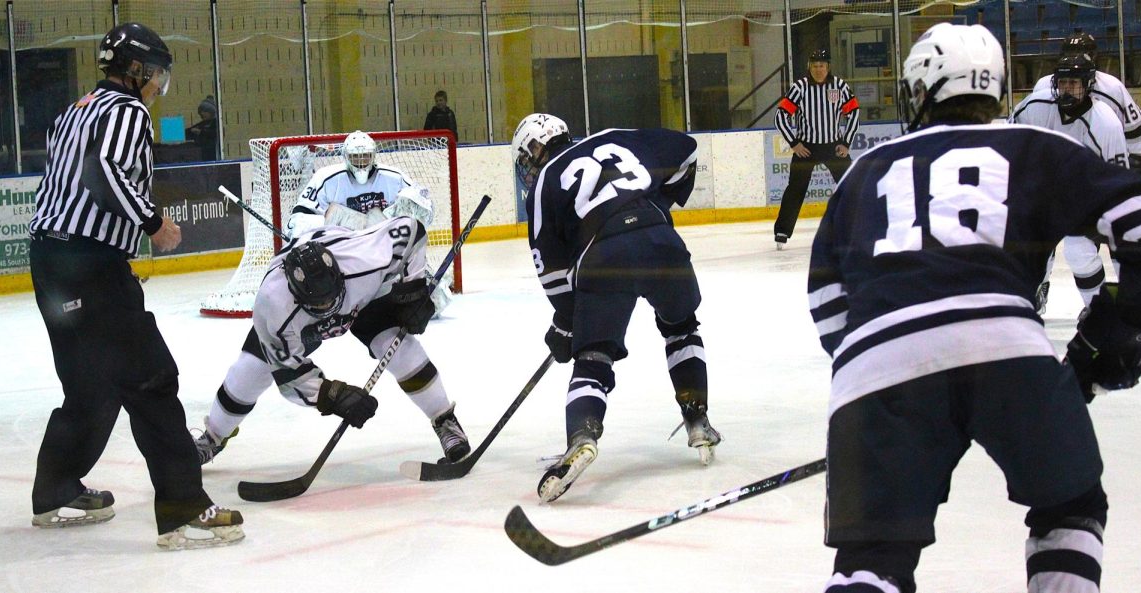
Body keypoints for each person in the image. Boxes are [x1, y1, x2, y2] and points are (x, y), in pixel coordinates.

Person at [809, 23, 1141, 593]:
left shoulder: (862, 174)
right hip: (1008, 350)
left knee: (871, 558)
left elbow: (829, 308)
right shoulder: (1032, 145)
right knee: (1069, 506)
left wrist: (888, 397)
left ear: (918, 93)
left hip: (877, 368)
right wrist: (1119, 327)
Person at [26, 22, 243, 551]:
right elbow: (103, 171)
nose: (158, 86)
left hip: (50, 262)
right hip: (91, 266)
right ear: (139, 70)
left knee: (90, 386)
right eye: (158, 75)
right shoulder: (125, 111)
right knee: (150, 379)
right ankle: (184, 509)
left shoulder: (75, 110)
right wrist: (153, 222)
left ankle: (55, 489)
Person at [511, 114, 721, 504]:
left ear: (534, 151)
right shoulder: (615, 136)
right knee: (681, 328)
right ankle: (698, 419)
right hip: (661, 241)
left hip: (604, 258)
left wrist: (567, 324)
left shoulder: (541, 186)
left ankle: (583, 436)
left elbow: (551, 267)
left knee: (592, 359)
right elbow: (686, 149)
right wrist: (660, 201)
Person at [191, 218, 470, 469]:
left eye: (330, 300)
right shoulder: (273, 306)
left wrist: (413, 288)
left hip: (362, 298)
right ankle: (213, 437)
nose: (327, 307)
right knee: (249, 372)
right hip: (302, 324)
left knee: (395, 346)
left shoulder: (364, 261)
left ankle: (445, 421)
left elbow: (412, 229)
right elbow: (290, 378)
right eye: (319, 304)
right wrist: (333, 395)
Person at [1011, 54, 1130, 312]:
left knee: (1078, 249)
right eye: (1062, 83)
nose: (1066, 89)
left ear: (1087, 85)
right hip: (1042, 192)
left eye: (1073, 83)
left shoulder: (1105, 123)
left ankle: (1098, 311)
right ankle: (1035, 297)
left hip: (1087, 199)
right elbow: (1010, 146)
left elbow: (1117, 180)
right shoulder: (1034, 107)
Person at [286, 129, 452, 314]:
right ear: (346, 157)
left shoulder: (393, 177)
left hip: (384, 246)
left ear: (374, 156)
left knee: (435, 302)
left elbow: (423, 208)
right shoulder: (327, 178)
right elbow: (299, 217)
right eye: (356, 157)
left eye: (365, 156)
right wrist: (310, 232)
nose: (361, 162)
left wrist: (404, 217)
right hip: (346, 250)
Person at [773, 48, 860, 250]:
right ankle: (782, 231)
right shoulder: (800, 88)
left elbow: (853, 112)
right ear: (809, 68)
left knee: (851, 185)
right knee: (795, 189)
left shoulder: (840, 86)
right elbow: (780, 116)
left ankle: (859, 225)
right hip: (807, 148)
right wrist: (794, 143)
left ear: (828, 67)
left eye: (821, 66)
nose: (818, 70)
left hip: (833, 146)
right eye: (814, 66)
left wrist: (846, 142)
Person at [1033, 32, 1141, 175]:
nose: (1075, 62)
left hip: (1102, 165)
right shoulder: (1044, 87)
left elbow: (1135, 131)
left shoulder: (1112, 88)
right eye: (1070, 55)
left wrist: (1134, 162)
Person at [184, 94, 219, 161]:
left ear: (211, 112)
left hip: (213, 155)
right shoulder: (202, 124)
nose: (202, 114)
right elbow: (188, 131)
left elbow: (215, 134)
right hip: (202, 155)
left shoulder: (217, 123)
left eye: (205, 111)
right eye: (201, 112)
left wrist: (201, 132)